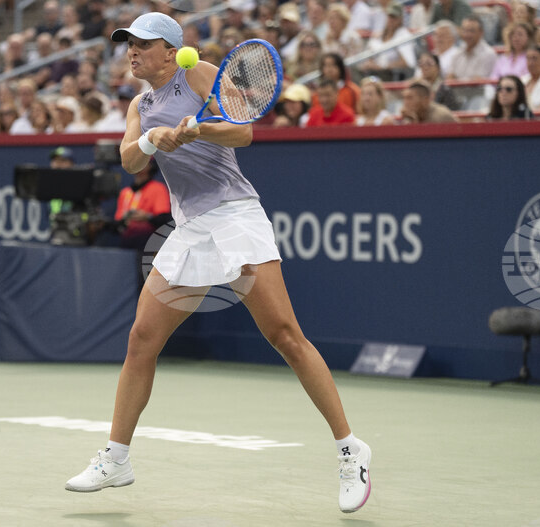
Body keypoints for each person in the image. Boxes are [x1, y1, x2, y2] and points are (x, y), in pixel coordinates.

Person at [64, 12, 373, 515]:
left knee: (284, 335)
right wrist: (154, 140)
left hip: (234, 216)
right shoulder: (140, 104)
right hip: (189, 229)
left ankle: (350, 450)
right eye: (128, 43)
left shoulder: (201, 75)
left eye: (143, 44)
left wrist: (199, 129)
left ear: (171, 51)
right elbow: (129, 159)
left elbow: (243, 133)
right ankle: (116, 458)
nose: (132, 51)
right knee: (142, 339)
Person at [114, 158, 171, 249]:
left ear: (150, 166)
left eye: (143, 161)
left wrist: (147, 217)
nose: (138, 164)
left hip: (149, 240)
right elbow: (117, 221)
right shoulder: (125, 192)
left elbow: (164, 218)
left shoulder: (158, 188)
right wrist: (125, 220)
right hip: (126, 239)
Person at [360, 3, 416, 81]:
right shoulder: (379, 34)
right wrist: (370, 63)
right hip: (372, 72)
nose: (391, 20)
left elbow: (407, 63)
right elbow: (369, 55)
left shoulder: (404, 35)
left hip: (390, 75)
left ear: (400, 19)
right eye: (389, 16)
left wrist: (382, 66)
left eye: (394, 17)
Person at [447, 15, 497, 80]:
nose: (467, 34)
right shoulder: (458, 51)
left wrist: (456, 81)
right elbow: (450, 77)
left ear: (481, 32)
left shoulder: (488, 54)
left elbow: (478, 81)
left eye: (471, 31)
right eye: (464, 30)